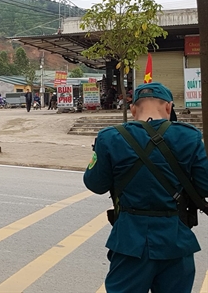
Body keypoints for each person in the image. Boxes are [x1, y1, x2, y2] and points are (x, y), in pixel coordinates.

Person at [84, 82, 208, 293]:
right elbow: (204, 187)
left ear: (132, 109)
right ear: (169, 107)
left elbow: (95, 184)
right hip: (175, 242)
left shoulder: (110, 137)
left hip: (130, 243)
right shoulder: (189, 136)